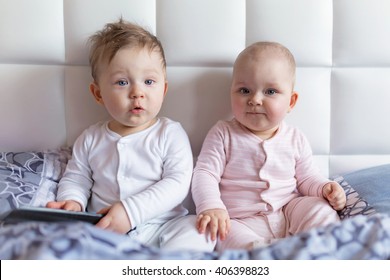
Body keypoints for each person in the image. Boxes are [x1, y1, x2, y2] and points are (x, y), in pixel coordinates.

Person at [47, 19, 214, 252]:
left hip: (163, 225)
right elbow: (77, 178)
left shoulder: (169, 133)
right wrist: (72, 201)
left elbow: (178, 182)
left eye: (149, 81)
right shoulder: (91, 138)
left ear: (163, 89)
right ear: (98, 94)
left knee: (198, 230)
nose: (137, 93)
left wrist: (130, 211)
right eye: (122, 82)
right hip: (108, 230)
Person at [191, 41, 346, 251]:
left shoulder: (294, 138)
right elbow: (205, 173)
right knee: (225, 235)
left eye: (270, 92)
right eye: (244, 90)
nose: (255, 99)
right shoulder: (223, 134)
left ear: (291, 102)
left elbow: (307, 178)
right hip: (239, 219)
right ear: (231, 93)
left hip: (288, 211)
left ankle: (321, 251)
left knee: (321, 209)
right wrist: (211, 206)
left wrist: (324, 188)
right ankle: (267, 259)